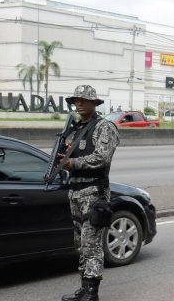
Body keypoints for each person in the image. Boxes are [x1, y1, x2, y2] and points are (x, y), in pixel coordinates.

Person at [58, 85, 120, 301]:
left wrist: (72, 161)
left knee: (92, 244)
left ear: (95, 103)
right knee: (81, 244)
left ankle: (92, 292)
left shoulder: (104, 127)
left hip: (94, 193)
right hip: (75, 192)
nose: (80, 103)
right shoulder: (74, 129)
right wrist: (63, 154)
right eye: (77, 100)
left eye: (85, 100)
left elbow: (102, 157)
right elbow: (66, 157)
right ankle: (84, 288)